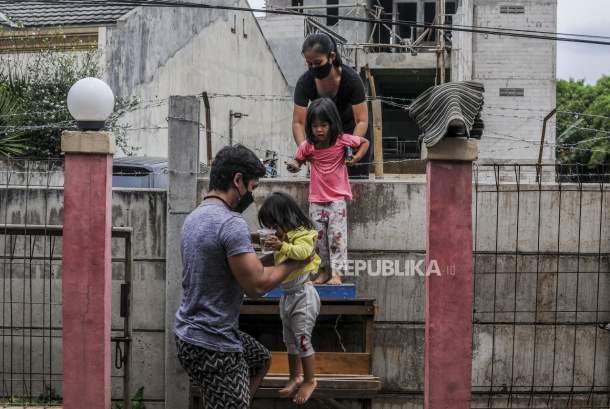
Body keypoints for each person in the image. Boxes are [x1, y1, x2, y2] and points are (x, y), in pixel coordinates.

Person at [174, 145, 311, 408]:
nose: (251, 194)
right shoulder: (230, 222)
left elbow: (236, 267)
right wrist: (296, 261)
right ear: (237, 180)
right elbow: (256, 285)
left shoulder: (195, 217)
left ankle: (234, 400)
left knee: (260, 358)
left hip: (188, 335)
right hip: (213, 342)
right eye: (252, 186)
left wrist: (277, 255)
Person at [287, 98, 369, 284]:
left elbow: (364, 142)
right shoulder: (308, 146)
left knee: (337, 238)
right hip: (316, 200)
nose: (319, 130)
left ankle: (337, 275)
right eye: (315, 126)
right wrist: (294, 165)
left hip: (337, 200)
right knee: (318, 240)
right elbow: (298, 159)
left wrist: (355, 158)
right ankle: (322, 273)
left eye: (324, 125)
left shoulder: (342, 141)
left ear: (333, 124)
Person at [258, 192, 322, 405]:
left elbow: (303, 253)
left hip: (304, 295)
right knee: (290, 341)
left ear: (284, 218)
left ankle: (311, 380)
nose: (273, 231)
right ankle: (295, 376)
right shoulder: (284, 239)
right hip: (287, 296)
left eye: (273, 225)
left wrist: (281, 246)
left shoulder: (304, 233)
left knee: (302, 339)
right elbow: (276, 259)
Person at [293, 32, 370, 179]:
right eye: (309, 64)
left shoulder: (352, 80)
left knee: (354, 185)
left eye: (318, 63)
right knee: (322, 185)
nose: (313, 68)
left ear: (332, 56)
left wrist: (349, 148)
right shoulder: (305, 83)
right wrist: (304, 150)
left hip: (350, 134)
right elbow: (298, 122)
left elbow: (362, 120)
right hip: (321, 139)